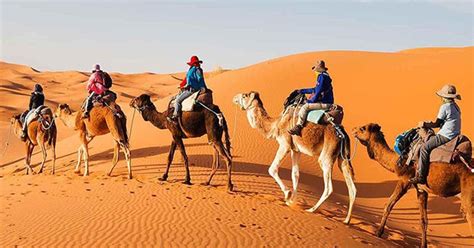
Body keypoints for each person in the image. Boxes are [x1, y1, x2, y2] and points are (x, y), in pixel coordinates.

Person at [410, 84, 462, 185]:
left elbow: (437, 124)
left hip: (446, 135)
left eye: (442, 96)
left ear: (444, 97)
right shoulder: (455, 106)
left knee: (424, 148)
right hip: (455, 133)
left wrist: (424, 124)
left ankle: (421, 176)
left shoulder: (445, 107)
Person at [288, 60, 334, 136]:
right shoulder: (325, 76)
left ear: (318, 70)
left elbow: (318, 92)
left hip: (325, 103)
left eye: (315, 70)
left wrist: (310, 101)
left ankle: (298, 126)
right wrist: (302, 91)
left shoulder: (321, 77)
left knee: (304, 107)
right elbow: (315, 89)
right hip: (327, 101)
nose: (315, 72)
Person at [170, 56, 207, 120]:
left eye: (196, 63)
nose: (196, 64)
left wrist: (187, 85)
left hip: (192, 90)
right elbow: (190, 80)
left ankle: (175, 115)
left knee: (177, 101)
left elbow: (199, 79)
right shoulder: (196, 70)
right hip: (196, 88)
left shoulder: (195, 70)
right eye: (195, 63)